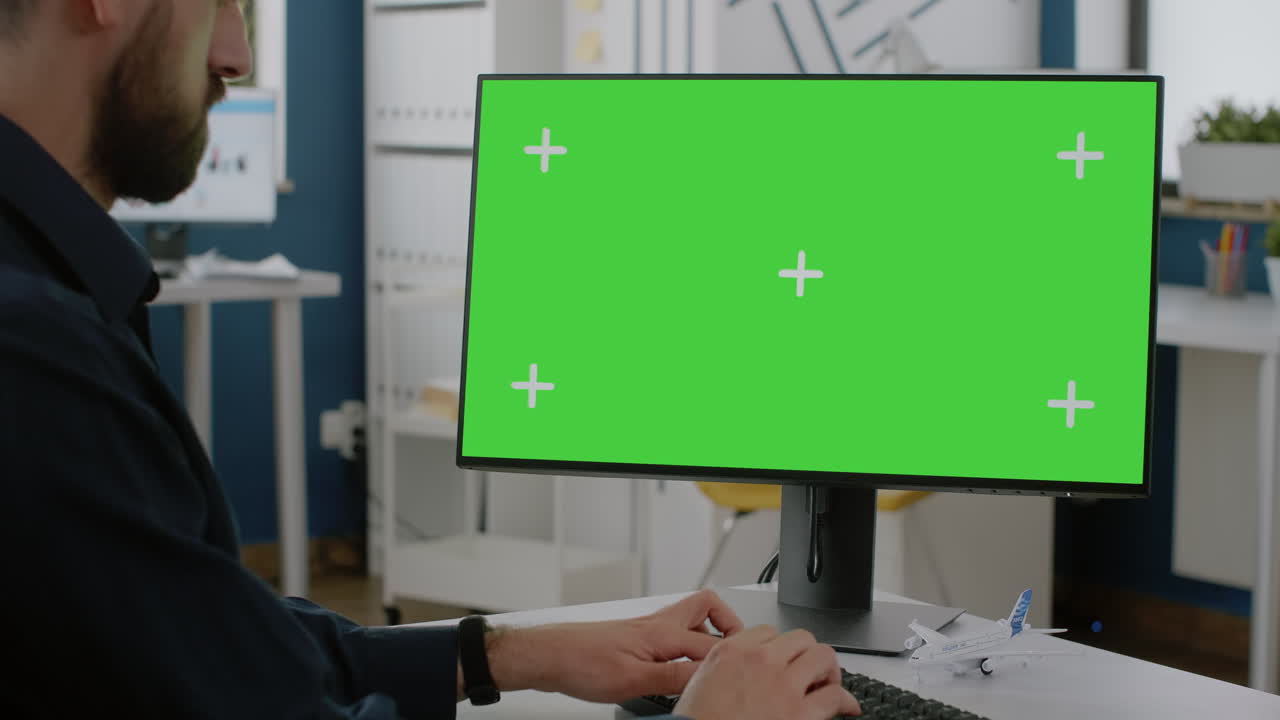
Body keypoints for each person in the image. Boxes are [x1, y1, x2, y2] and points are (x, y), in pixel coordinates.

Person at [0, 2, 861, 719]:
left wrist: (505, 652)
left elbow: (211, 648)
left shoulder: (46, 312)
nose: (236, 51)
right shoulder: (36, 357)